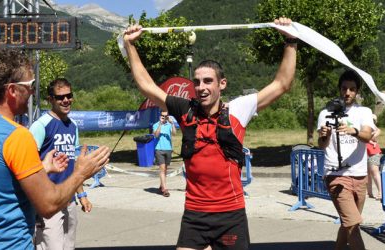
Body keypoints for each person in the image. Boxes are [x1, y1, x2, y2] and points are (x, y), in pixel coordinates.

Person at [122, 17, 297, 250]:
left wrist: (291, 41)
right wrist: (130, 46)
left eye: (208, 81)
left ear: (222, 84)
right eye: (197, 81)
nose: (201, 87)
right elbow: (147, 86)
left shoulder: (238, 109)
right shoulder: (186, 110)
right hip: (195, 213)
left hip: (230, 214)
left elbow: (282, 83)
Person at [0, 49, 110, 250]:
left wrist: (41, 168)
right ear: (12, 91)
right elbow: (48, 204)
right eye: (30, 86)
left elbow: (1, 180)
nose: (32, 92)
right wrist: (81, 173)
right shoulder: (17, 136)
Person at [29, 78, 91, 249]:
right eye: (60, 97)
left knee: (68, 247)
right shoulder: (41, 125)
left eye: (69, 95)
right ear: (50, 99)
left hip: (69, 200)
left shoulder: (72, 126)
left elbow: (74, 166)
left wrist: (82, 195)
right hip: (48, 202)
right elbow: (29, 165)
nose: (66, 100)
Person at [317, 69, 374, 250]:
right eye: (344, 88)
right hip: (336, 175)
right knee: (352, 225)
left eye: (352, 89)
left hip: (359, 175)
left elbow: (367, 136)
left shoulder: (364, 112)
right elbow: (322, 145)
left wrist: (354, 131)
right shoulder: (325, 113)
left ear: (357, 91)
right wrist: (324, 135)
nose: (347, 92)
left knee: (349, 224)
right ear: (339, 89)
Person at [153, 110, 177, 197]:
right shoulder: (156, 124)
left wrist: (173, 123)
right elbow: (156, 135)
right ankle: (165, 189)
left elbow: (174, 134)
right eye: (163, 116)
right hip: (159, 149)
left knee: (165, 170)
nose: (164, 117)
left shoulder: (169, 124)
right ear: (160, 116)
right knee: (162, 169)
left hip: (168, 149)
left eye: (166, 116)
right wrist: (160, 124)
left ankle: (161, 185)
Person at [366, 114, 382, 200]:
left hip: (373, 151)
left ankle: (380, 192)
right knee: (367, 173)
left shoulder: (376, 129)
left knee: (374, 172)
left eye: (373, 120)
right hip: (364, 152)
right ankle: (369, 192)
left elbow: (369, 137)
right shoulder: (364, 128)